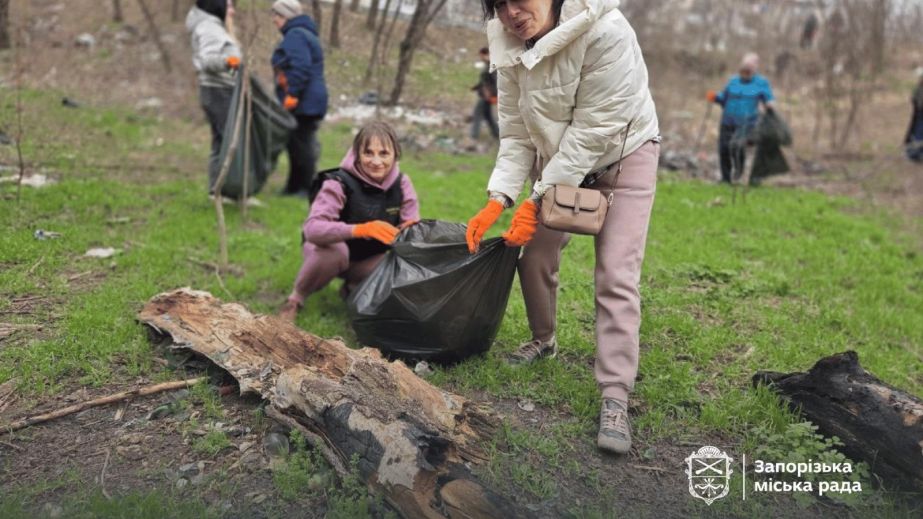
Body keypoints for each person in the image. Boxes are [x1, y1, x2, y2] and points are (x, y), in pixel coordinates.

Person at [466, 0, 660, 455]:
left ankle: (615, 394)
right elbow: (515, 133)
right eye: (500, 3)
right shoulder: (507, 43)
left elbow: (593, 131)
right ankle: (543, 340)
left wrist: (536, 197)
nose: (512, 12)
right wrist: (499, 200)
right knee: (532, 254)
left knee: (616, 275)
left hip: (623, 153)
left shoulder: (607, 30)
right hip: (559, 158)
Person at [279, 121, 420, 322]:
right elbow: (312, 229)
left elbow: (412, 224)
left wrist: (410, 230)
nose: (376, 161)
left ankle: (354, 287)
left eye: (384, 153)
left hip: (370, 259)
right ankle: (296, 298)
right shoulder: (337, 182)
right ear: (356, 154)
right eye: (368, 153)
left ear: (395, 155)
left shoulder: (403, 183)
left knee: (399, 262)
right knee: (336, 252)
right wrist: (362, 229)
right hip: (330, 254)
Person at [271, 0, 329, 196]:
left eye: (277, 16)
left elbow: (300, 67)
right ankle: (293, 187)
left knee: (302, 145)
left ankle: (305, 188)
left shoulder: (296, 35)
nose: (274, 20)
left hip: (305, 101)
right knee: (295, 144)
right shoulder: (303, 34)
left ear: (286, 17)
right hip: (309, 99)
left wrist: (292, 94)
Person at [186, 0, 242, 194]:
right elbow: (207, 60)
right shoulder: (209, 27)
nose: (232, 11)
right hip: (217, 91)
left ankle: (218, 190)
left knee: (221, 141)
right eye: (229, 6)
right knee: (227, 141)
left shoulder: (214, 26)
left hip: (218, 89)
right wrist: (230, 61)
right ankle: (225, 191)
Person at [706, 53, 775, 183]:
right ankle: (725, 179)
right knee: (724, 149)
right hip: (727, 120)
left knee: (737, 146)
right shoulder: (733, 81)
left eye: (749, 69)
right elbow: (724, 99)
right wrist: (714, 97)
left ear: (755, 69)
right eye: (744, 68)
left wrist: (769, 105)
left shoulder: (761, 83)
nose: (745, 72)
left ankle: (739, 171)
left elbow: (768, 99)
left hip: (747, 123)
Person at [470, 47, 500, 141]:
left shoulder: (492, 66)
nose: (481, 58)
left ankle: (474, 135)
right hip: (485, 94)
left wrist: (491, 94)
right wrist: (475, 87)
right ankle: (497, 133)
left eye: (482, 56)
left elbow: (495, 82)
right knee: (488, 116)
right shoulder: (487, 65)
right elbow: (484, 81)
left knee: (477, 113)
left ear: (486, 55)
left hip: (487, 95)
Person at [905, 67, 923, 162]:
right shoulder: (919, 88)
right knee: (918, 132)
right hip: (919, 115)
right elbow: (915, 100)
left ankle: (917, 152)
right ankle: (915, 153)